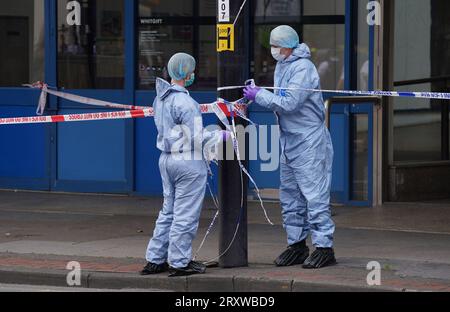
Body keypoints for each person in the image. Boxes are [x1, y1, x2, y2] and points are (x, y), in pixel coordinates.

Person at [243, 25, 336, 269]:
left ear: (287, 46)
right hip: (289, 139)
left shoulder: (303, 68)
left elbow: (290, 103)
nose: (272, 50)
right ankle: (296, 245)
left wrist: (259, 95)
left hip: (308, 141)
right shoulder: (283, 66)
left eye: (276, 46)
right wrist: (257, 94)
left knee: (314, 196)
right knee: (291, 197)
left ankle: (324, 247)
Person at [141, 53, 228, 277]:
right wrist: (222, 136)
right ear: (187, 73)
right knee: (185, 214)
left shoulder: (160, 98)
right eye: (192, 71)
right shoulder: (187, 103)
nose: (193, 74)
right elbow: (197, 138)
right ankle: (180, 262)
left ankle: (155, 259)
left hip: (166, 159)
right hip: (188, 161)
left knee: (168, 211)